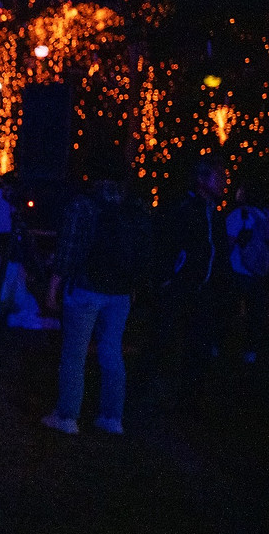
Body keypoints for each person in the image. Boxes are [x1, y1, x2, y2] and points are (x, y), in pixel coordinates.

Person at [41, 160, 153, 435]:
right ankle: (112, 417)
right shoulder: (135, 207)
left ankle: (67, 416)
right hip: (120, 291)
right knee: (112, 351)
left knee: (75, 354)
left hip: (86, 288)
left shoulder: (83, 204)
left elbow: (69, 249)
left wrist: (54, 285)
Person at [153, 159, 230, 411]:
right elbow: (166, 246)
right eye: (218, 177)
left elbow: (217, 255)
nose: (224, 183)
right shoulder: (184, 209)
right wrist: (166, 280)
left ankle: (188, 402)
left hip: (204, 294)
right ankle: (150, 394)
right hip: (180, 289)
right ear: (201, 180)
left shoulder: (215, 215)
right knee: (164, 342)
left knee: (198, 347)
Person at [226, 181, 268, 364]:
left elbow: (228, 243)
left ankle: (223, 347)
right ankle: (251, 350)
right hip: (257, 270)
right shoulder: (262, 215)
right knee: (255, 314)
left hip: (238, 269)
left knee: (229, 311)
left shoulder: (237, 215)